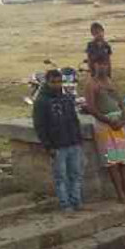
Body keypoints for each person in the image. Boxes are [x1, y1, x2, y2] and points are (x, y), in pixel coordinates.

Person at [85, 54, 125, 203]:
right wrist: (108, 121)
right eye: (99, 64)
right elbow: (92, 108)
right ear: (93, 66)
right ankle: (119, 193)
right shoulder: (91, 84)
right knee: (112, 162)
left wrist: (124, 117)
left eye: (105, 64)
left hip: (118, 125)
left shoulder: (110, 81)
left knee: (123, 161)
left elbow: (120, 100)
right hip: (104, 126)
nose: (103, 67)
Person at [32, 69, 85, 212]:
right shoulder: (41, 101)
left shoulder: (66, 98)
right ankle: (65, 204)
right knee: (61, 177)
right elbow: (40, 126)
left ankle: (76, 201)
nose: (57, 85)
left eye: (59, 81)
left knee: (76, 174)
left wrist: (78, 138)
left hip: (73, 142)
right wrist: (48, 146)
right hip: (57, 145)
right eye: (53, 82)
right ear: (47, 82)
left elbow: (74, 119)